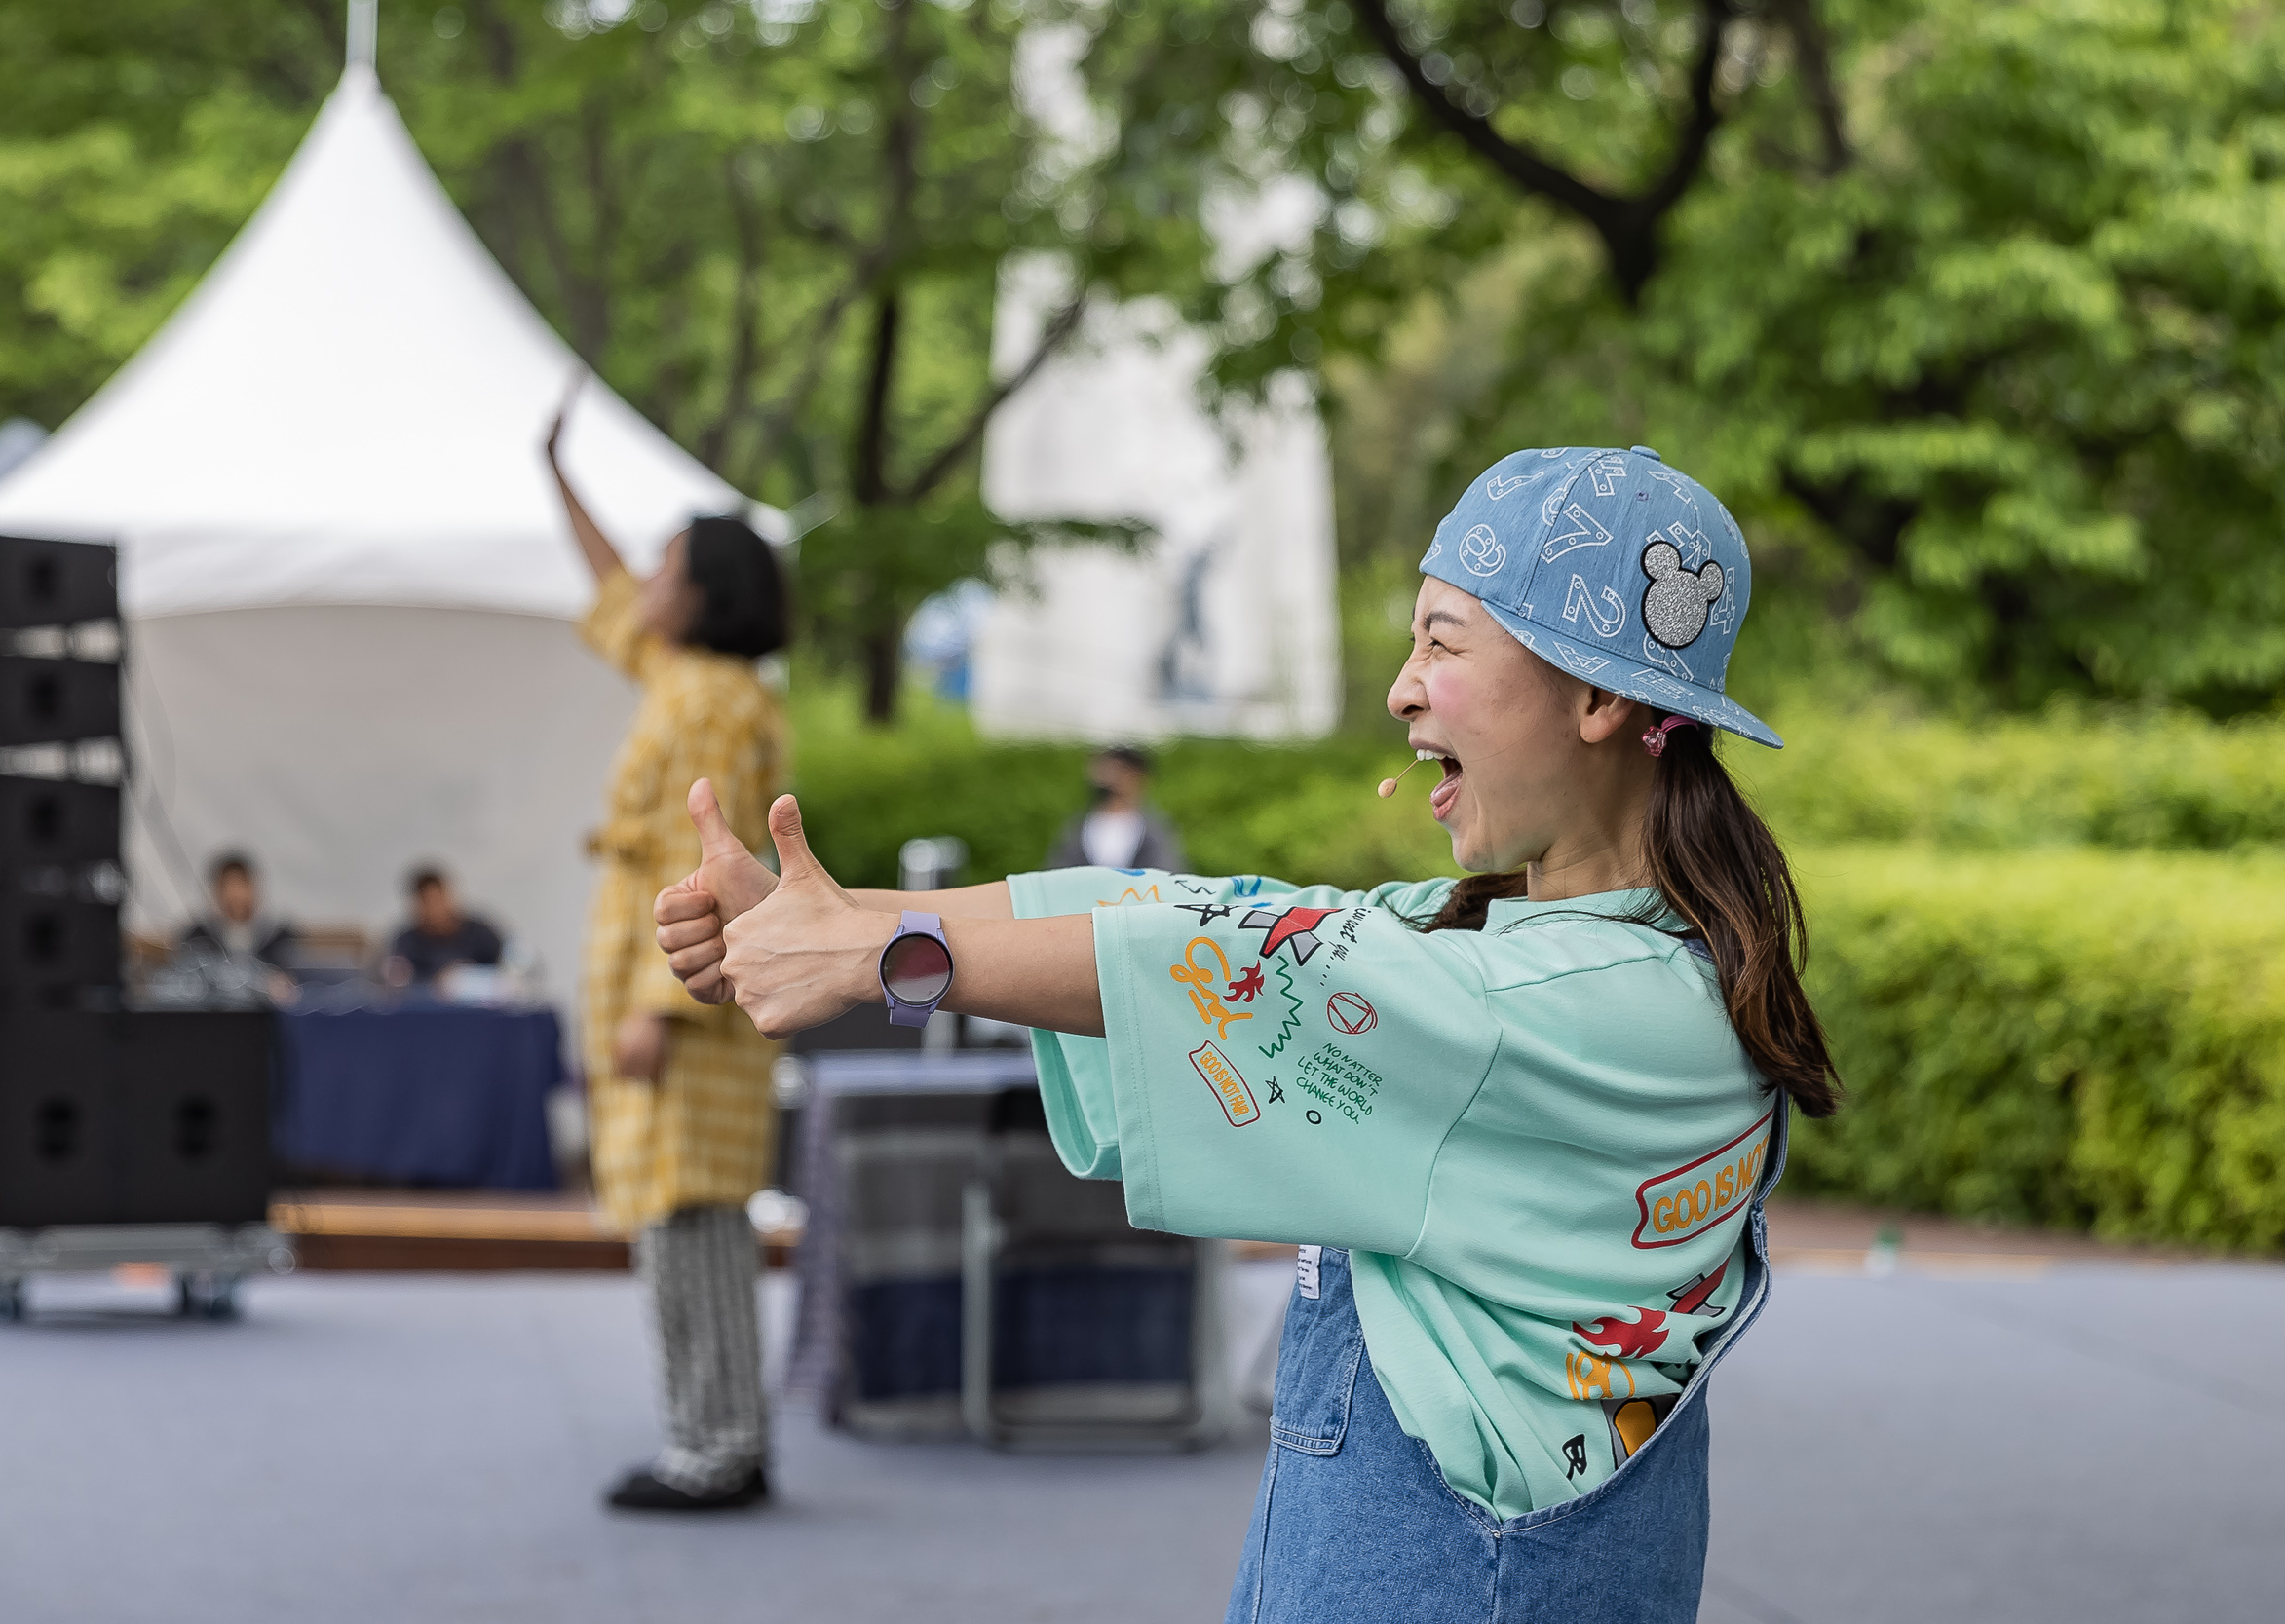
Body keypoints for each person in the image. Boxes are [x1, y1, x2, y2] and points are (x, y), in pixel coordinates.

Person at [656, 446, 1840, 1620]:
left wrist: (877, 958)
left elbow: (1208, 961)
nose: (1401, 687)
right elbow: (1196, 913)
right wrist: (841, 917)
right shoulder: (1607, 960)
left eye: (1442, 638)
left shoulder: (1520, 1005)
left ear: (1598, 699)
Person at [546, 397, 788, 1513]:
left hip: (687, 990)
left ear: (704, 591)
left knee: (691, 1218)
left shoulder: (713, 702)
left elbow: (711, 856)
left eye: (667, 561)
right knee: (687, 1215)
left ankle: (715, 1443)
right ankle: (716, 1433)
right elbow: (609, 597)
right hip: (676, 983)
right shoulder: (692, 681)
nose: (645, 573)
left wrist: (662, 1001)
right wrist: (556, 470)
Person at [1044, 745, 1185, 871]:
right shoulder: (1079, 825)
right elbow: (1058, 870)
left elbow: (1167, 874)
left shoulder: (1156, 828)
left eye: (1126, 768)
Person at [382, 866, 505, 990]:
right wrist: (437, 983)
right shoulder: (406, 943)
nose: (434, 909)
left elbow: (503, 975)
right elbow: (399, 984)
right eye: (427, 901)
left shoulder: (482, 934)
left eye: (438, 899)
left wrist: (465, 977)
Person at [176, 851, 298, 972]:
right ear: (216, 892)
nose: (236, 895)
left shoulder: (279, 937)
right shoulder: (199, 936)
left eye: (241, 885)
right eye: (227, 887)